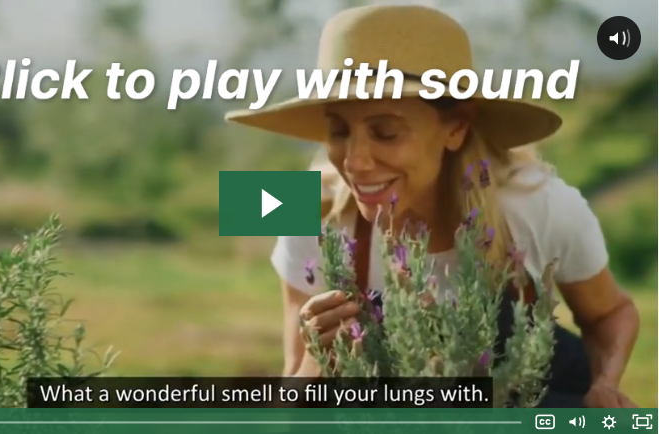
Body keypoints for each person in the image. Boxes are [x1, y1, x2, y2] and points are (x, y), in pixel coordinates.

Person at [225, 5, 639, 408]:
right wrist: (313, 365)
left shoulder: (537, 204)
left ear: (456, 127)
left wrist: (605, 385)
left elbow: (610, 315)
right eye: (338, 130)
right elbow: (292, 395)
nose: (354, 161)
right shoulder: (309, 210)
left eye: (385, 132)